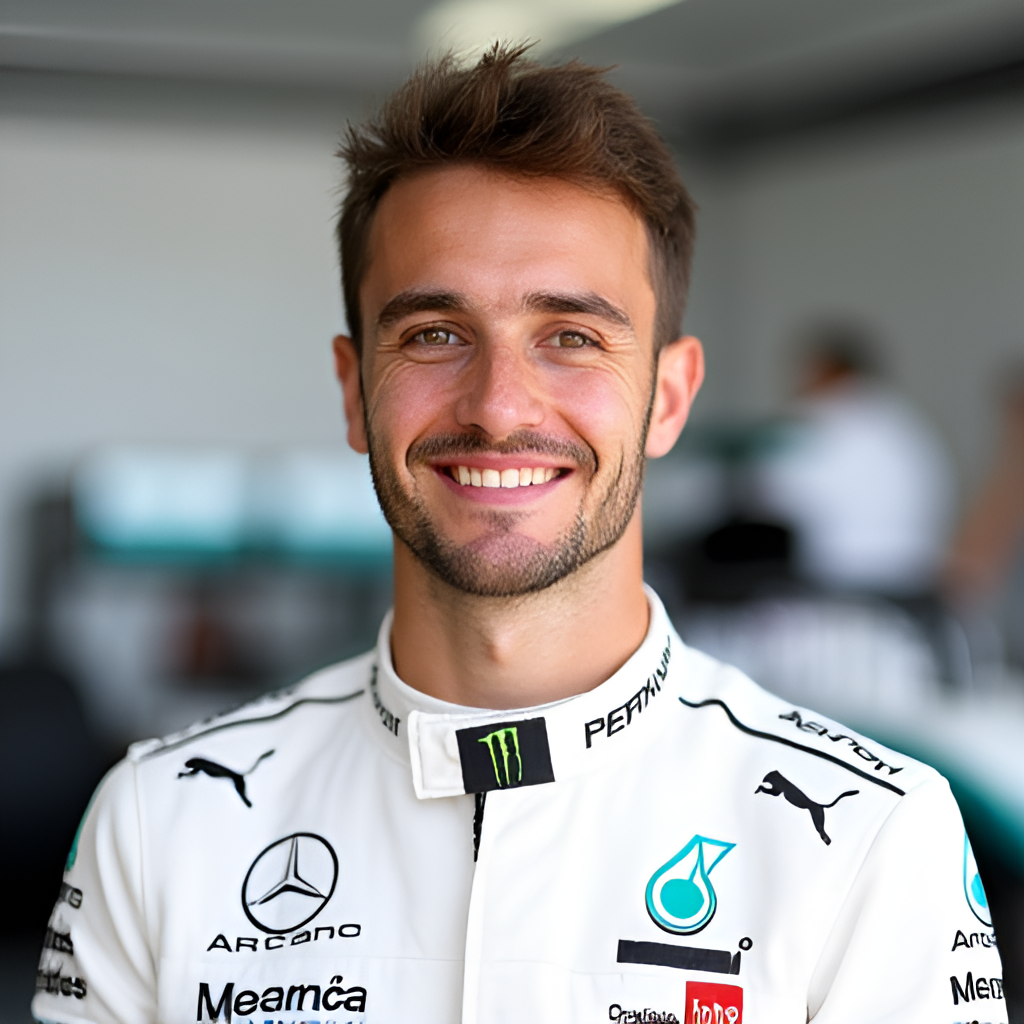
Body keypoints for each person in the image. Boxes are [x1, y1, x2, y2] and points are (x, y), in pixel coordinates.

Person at [33, 46, 1006, 1024]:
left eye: (571, 336)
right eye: (434, 333)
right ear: (349, 389)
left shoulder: (874, 837)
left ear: (667, 397)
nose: (499, 408)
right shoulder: (160, 822)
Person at [755, 324, 955, 596]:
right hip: (916, 592)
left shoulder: (815, 421)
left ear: (821, 369)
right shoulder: (909, 426)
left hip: (838, 598)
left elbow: (764, 500)